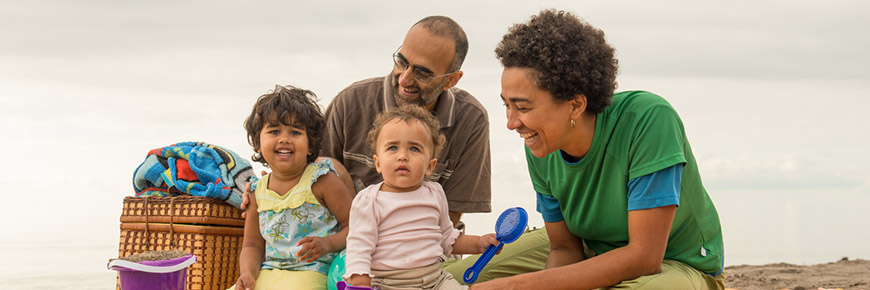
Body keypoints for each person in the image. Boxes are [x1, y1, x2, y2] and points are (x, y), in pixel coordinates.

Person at [472, 10, 725, 290]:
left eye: (523, 107)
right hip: (591, 249)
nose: (511, 123)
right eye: (506, 104)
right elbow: (565, 250)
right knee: (452, 279)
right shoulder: (541, 145)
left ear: (576, 105)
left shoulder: (649, 120)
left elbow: (645, 258)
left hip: (676, 262)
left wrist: (517, 286)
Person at [320, 15, 550, 283]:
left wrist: (474, 245)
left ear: (451, 80)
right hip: (353, 250)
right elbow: (313, 181)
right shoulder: (350, 103)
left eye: (422, 72)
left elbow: (446, 227)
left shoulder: (470, 119)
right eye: (401, 61)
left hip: (428, 255)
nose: (405, 78)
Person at [343, 105, 499, 290]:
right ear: (378, 163)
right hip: (388, 283)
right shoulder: (369, 200)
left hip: (435, 280)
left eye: (414, 149)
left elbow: (447, 238)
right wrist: (360, 283)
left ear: (430, 166)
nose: (402, 156)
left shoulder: (434, 193)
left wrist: (479, 243)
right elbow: (359, 247)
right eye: (392, 147)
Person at [232, 85, 354, 290]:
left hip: (314, 271)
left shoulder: (321, 180)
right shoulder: (256, 191)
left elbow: (356, 227)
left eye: (295, 132)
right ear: (258, 144)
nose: (284, 139)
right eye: (274, 131)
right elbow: (252, 245)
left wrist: (329, 244)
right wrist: (247, 274)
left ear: (310, 145)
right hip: (269, 272)